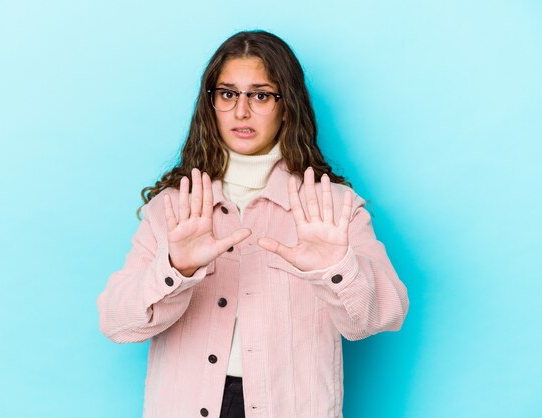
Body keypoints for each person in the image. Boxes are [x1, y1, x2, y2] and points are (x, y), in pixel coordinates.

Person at [97, 30, 409, 418]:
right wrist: (176, 269)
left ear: (286, 105)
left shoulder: (332, 207)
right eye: (228, 94)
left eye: (260, 95)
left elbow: (384, 316)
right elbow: (116, 322)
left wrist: (336, 268)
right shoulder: (173, 208)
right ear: (210, 103)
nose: (241, 111)